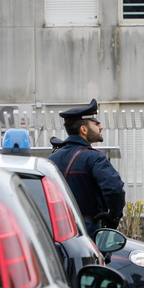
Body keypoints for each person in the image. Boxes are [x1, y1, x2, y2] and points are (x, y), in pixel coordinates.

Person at [49, 99, 126, 232]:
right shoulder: (94, 158)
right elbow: (114, 189)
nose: (100, 126)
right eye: (96, 123)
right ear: (83, 129)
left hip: (57, 230)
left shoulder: (50, 160)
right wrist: (114, 216)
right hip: (88, 230)